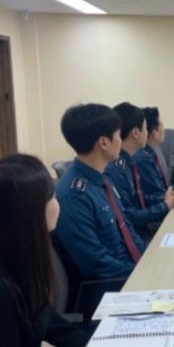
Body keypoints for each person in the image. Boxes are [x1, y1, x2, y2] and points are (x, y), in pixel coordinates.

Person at [0, 154, 88, 347]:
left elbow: (50, 321)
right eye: (51, 197)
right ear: (28, 212)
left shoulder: (16, 257)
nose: (57, 203)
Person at [55, 103, 145, 283]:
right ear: (104, 142)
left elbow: (126, 225)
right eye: (118, 134)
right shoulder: (73, 195)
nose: (121, 140)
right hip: (113, 283)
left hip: (130, 269)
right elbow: (96, 263)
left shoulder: (102, 179)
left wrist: (148, 256)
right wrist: (141, 271)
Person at [105, 103, 174, 241]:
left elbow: (138, 196)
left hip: (143, 227)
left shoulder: (128, 161)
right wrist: (164, 205)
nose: (148, 132)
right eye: (145, 128)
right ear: (135, 133)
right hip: (139, 234)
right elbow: (130, 217)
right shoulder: (116, 169)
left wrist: (163, 199)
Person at [134, 107, 173, 199]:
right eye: (162, 127)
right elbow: (157, 192)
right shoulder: (142, 158)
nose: (164, 130)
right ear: (154, 134)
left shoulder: (152, 150)